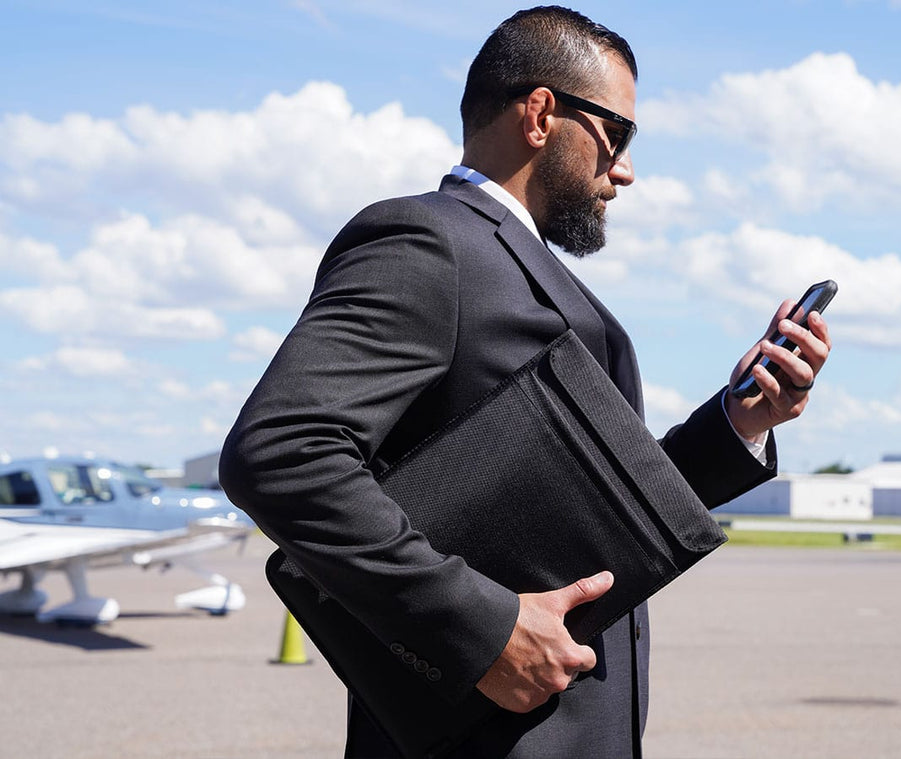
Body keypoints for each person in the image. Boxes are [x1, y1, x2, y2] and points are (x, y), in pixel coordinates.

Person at [218, 6, 831, 758]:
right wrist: (483, 628)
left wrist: (741, 422)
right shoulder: (429, 242)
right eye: (619, 134)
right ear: (541, 114)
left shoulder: (517, 263)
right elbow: (281, 449)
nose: (626, 169)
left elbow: (605, 513)